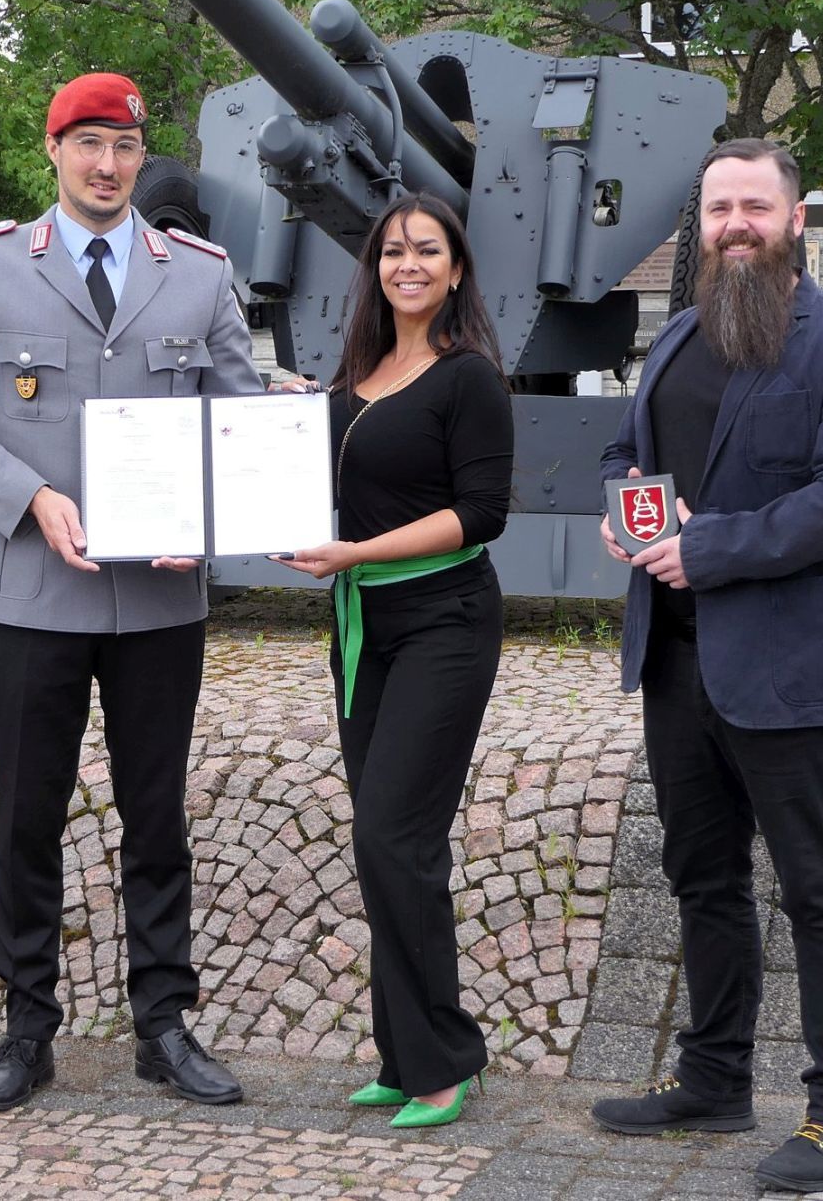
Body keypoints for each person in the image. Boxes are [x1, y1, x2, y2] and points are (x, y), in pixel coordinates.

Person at [0, 72, 264, 1113]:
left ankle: (163, 1024)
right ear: (53, 149)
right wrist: (29, 498)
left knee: (157, 818)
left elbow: (234, 421)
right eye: (89, 144)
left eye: (126, 146)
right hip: (29, 596)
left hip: (157, 604)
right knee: (28, 815)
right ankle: (26, 1028)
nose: (109, 165)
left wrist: (204, 514)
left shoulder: (197, 273)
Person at [590, 138, 823, 1191]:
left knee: (821, 892)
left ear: (796, 219)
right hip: (678, 671)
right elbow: (624, 454)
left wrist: (705, 545)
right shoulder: (677, 337)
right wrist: (624, 512)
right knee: (703, 879)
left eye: (754, 207)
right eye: (718, 206)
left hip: (794, 674)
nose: (734, 224)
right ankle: (715, 1079)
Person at [278, 193, 512, 1129]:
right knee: (386, 844)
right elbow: (327, 462)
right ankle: (407, 1048)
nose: (407, 263)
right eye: (391, 251)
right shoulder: (356, 377)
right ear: (374, 269)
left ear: (455, 270)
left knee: (393, 836)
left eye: (427, 250)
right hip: (363, 630)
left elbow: (482, 512)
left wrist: (355, 554)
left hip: (444, 622)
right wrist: (297, 417)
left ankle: (447, 1060)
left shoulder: (471, 380)